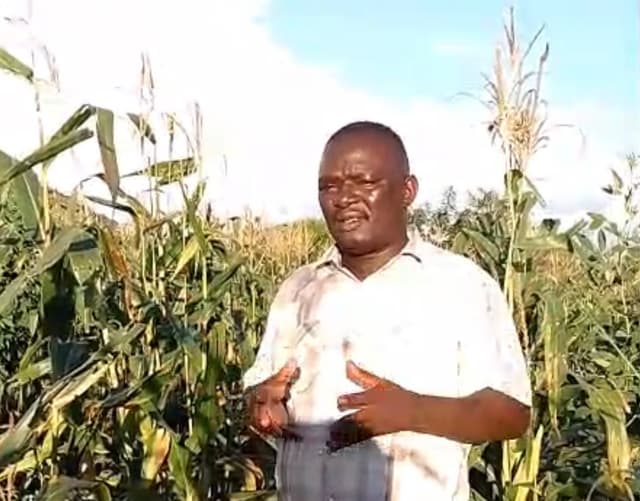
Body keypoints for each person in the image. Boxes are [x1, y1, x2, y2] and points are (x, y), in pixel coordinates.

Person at [242, 121, 531, 500]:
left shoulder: (461, 285)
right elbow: (262, 389)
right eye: (329, 186)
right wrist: (262, 403)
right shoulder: (297, 289)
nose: (343, 197)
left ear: (407, 191)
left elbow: (511, 412)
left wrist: (412, 410)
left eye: (364, 182)